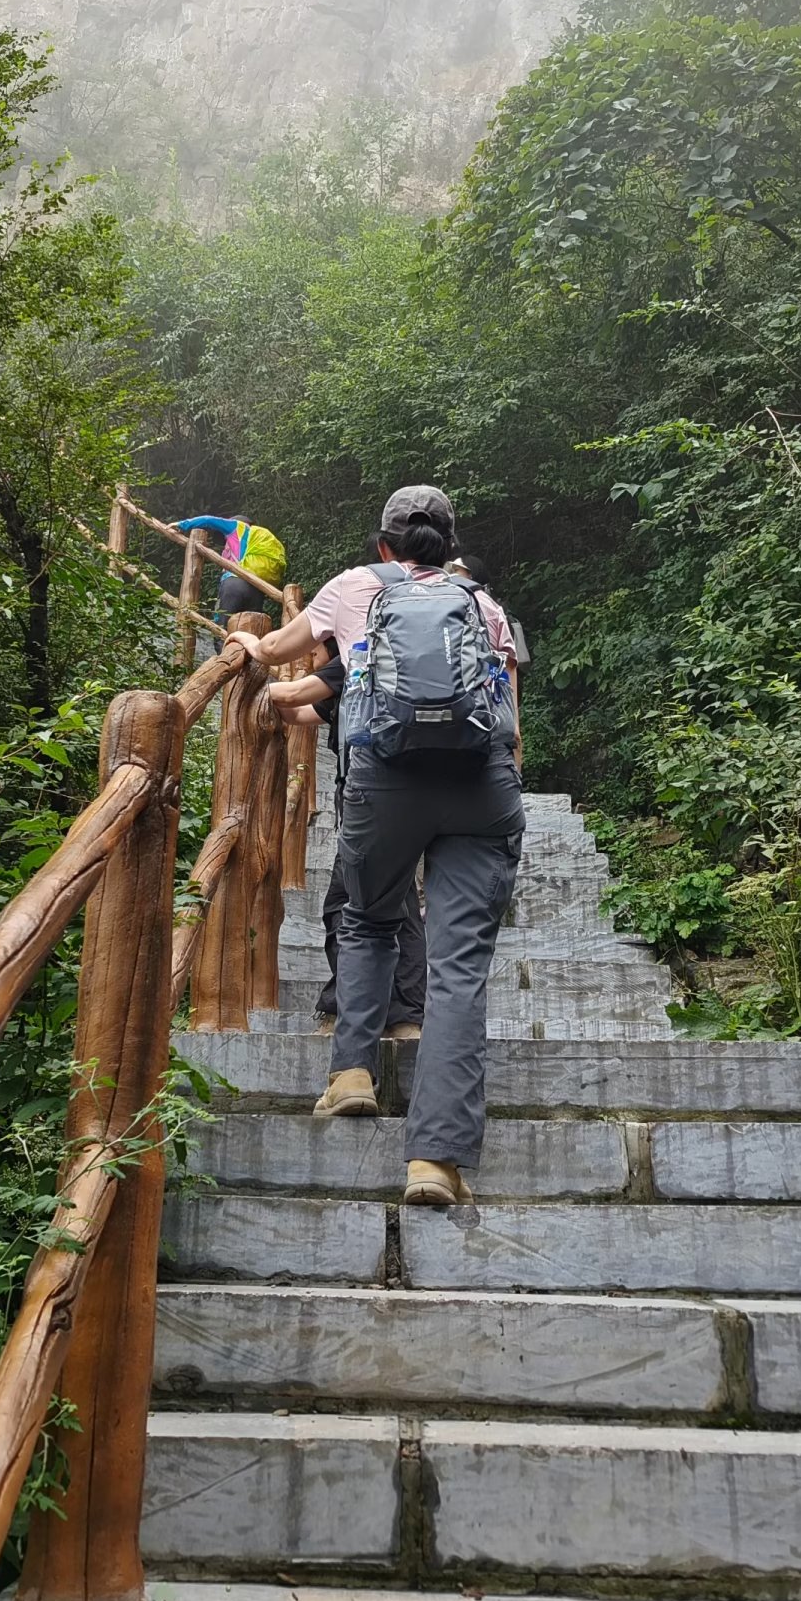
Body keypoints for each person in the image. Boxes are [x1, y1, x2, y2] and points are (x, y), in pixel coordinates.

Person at [230, 484, 524, 1211]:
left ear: (385, 543)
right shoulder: (482, 605)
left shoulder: (351, 588)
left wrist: (244, 642)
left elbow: (272, 650)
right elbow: (509, 720)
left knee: (367, 915)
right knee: (458, 972)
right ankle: (435, 1158)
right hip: (479, 785)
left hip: (385, 780)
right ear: (449, 545)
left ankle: (351, 1075)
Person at [269, 642, 427, 1040]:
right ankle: (406, 1017)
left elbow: (289, 697)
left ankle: (343, 1011)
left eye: (314, 650)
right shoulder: (364, 675)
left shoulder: (351, 663)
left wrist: (252, 664)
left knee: (344, 905)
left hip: (372, 808)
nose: (311, 659)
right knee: (402, 903)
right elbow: (297, 713)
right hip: (406, 803)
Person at [451, 549, 531, 707]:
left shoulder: (479, 605)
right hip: (497, 693)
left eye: (456, 570)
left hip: (480, 688)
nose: (450, 575)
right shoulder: (493, 605)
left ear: (470, 574)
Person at [173, 512, 287, 621]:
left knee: (222, 627)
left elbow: (209, 520)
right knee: (249, 631)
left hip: (234, 584)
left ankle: (218, 641)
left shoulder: (236, 527)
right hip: (257, 588)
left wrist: (182, 525)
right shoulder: (257, 538)